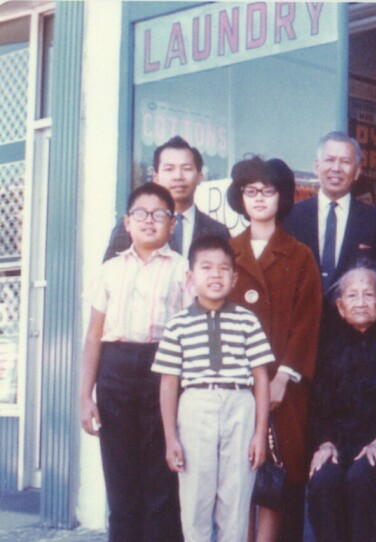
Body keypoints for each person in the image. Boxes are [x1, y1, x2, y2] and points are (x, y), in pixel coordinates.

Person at [79, 183, 189, 541]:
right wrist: (85, 396)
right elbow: (94, 336)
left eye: (160, 214)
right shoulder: (110, 270)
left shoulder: (184, 270)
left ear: (172, 224)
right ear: (127, 223)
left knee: (162, 478)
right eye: (140, 213)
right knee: (121, 479)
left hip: (165, 372)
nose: (149, 221)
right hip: (116, 371)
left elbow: (191, 332)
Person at [226, 156, 324, 542]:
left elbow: (308, 320)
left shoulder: (299, 255)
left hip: (285, 389)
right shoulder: (225, 252)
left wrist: (286, 374)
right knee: (237, 478)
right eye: (251, 191)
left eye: (268, 191)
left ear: (282, 197)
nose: (260, 198)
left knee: (276, 480)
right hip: (234, 386)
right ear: (240, 197)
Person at [153, 235, 273, 542]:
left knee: (236, 495)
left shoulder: (247, 321)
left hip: (239, 403)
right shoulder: (178, 324)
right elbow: (169, 383)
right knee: (195, 495)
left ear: (234, 279)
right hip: (195, 405)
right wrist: (170, 438)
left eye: (223, 269)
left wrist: (260, 433)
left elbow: (261, 377)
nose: (216, 274)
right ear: (191, 278)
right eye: (206, 268)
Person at [307, 264, 376, 542]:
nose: (361, 302)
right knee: (323, 480)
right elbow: (318, 404)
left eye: (368, 295)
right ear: (340, 306)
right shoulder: (327, 346)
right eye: (352, 296)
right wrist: (325, 442)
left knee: (361, 479)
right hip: (338, 442)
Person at [282, 131, 376, 323]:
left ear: (357, 171)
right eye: (329, 160)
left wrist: (365, 332)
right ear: (316, 166)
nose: (336, 168)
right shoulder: (290, 218)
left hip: (355, 341)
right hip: (302, 335)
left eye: (345, 161)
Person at [103, 135, 230, 261]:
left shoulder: (217, 231)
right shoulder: (133, 224)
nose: (178, 176)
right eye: (169, 169)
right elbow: (110, 274)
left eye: (186, 168)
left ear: (200, 177)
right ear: (156, 178)